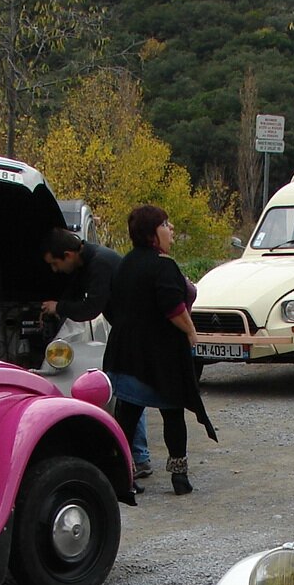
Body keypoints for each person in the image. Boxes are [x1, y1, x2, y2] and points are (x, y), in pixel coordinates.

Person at [102, 205, 217, 495]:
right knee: (172, 413)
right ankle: (179, 477)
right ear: (153, 233)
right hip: (160, 356)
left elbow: (110, 307)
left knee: (127, 412)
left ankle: (120, 476)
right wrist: (191, 331)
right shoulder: (163, 265)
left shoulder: (124, 264)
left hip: (126, 353)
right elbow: (173, 307)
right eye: (165, 224)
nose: (171, 229)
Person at [40, 228, 152, 477]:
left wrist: (59, 307)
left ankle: (138, 457)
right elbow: (76, 290)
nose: (54, 270)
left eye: (55, 264)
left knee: (128, 390)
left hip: (135, 331)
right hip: (127, 328)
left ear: (68, 255)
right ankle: (136, 454)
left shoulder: (100, 263)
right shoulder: (87, 260)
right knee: (127, 389)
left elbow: (91, 308)